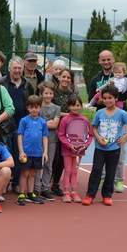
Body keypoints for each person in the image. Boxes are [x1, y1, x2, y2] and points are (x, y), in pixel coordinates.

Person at [83, 85, 127, 206]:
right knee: (96, 171)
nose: (107, 100)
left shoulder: (122, 114)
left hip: (114, 149)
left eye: (110, 98)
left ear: (116, 98)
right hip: (100, 148)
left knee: (110, 172)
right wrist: (98, 138)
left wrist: (125, 138)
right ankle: (90, 195)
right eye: (105, 98)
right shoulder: (99, 113)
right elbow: (94, 127)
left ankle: (107, 195)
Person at [0, 56, 33, 192]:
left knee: (20, 155)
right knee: (6, 154)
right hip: (6, 126)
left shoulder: (27, 84)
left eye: (19, 68)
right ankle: (4, 182)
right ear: (9, 69)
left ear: (23, 69)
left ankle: (16, 183)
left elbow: (31, 103)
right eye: (15, 68)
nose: (17, 71)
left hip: (22, 125)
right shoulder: (0, 82)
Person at [57, 94, 93, 203]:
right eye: (72, 105)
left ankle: (74, 192)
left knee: (75, 171)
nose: (75, 107)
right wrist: (69, 145)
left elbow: (90, 135)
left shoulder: (85, 120)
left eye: (77, 105)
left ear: (81, 106)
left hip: (79, 150)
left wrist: (85, 145)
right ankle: (66, 192)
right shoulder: (65, 120)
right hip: (67, 150)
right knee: (67, 170)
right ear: (68, 107)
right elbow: (61, 134)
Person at [49, 68, 77, 196]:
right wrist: (65, 114)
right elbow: (49, 108)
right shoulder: (52, 92)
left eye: (68, 78)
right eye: (63, 77)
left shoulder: (73, 95)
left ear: (71, 80)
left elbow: (76, 110)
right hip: (52, 128)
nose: (65, 79)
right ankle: (44, 182)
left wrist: (63, 115)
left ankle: (55, 184)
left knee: (61, 158)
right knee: (51, 157)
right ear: (59, 77)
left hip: (67, 131)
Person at [16, 95, 48, 205]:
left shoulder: (43, 122)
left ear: (40, 108)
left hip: (38, 153)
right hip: (26, 153)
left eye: (37, 107)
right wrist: (21, 151)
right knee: (25, 173)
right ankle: (22, 194)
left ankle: (30, 193)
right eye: (31, 107)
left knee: (33, 174)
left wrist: (45, 152)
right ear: (28, 108)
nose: (34, 109)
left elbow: (45, 137)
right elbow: (20, 136)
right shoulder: (24, 121)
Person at [33, 82, 61, 201]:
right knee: (38, 164)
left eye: (50, 93)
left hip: (51, 140)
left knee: (48, 164)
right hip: (37, 140)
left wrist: (43, 123)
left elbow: (54, 124)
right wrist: (46, 123)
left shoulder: (56, 108)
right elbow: (35, 123)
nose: (48, 95)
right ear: (41, 94)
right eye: (46, 93)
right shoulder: (37, 107)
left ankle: (45, 188)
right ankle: (36, 187)